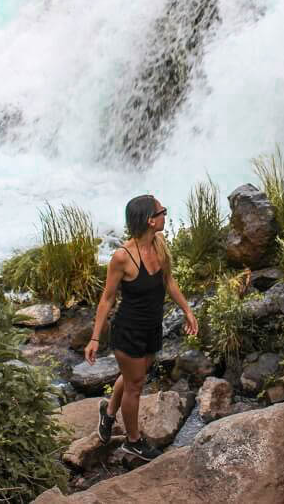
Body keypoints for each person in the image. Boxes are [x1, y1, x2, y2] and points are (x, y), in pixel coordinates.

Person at [84, 194, 198, 461]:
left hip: (152, 328)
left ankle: (108, 413)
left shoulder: (159, 245)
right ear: (150, 220)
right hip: (128, 331)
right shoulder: (122, 257)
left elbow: (169, 282)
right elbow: (107, 298)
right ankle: (133, 442)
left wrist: (188, 311)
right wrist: (94, 338)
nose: (165, 215)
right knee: (135, 385)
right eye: (162, 211)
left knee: (134, 374)